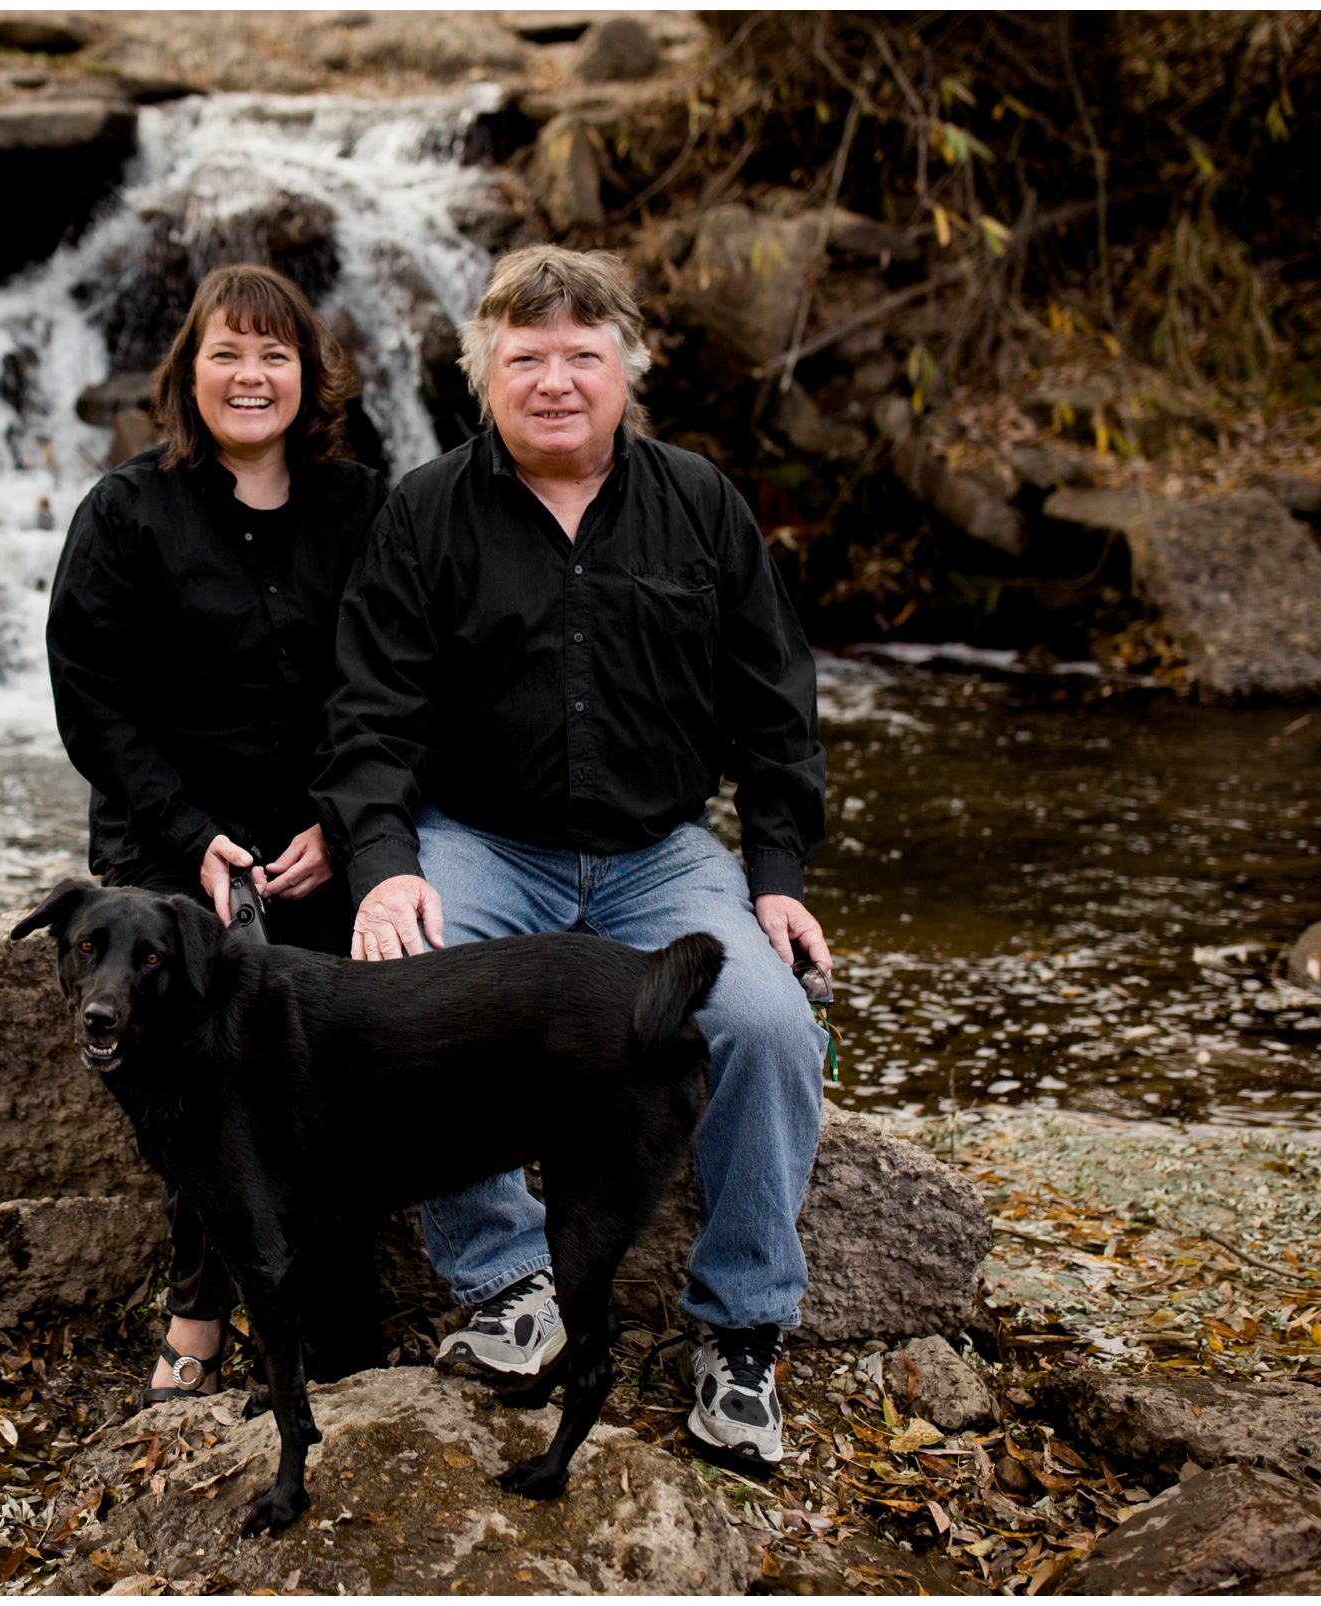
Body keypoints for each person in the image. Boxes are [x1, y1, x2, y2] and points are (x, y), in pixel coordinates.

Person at [312, 244, 831, 1463]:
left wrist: (778, 878)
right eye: (526, 357)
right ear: (482, 372)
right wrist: (385, 864)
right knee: (400, 992)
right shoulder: (427, 511)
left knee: (765, 1024)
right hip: (485, 845)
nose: (555, 380)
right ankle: (506, 1284)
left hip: (663, 854)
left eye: (581, 356)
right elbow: (369, 715)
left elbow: (776, 708)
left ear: (626, 370)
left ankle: (740, 1331)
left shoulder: (700, 504)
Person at [46, 263, 387, 1404]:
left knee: (334, 1039)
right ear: (188, 375)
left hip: (316, 836)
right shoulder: (127, 511)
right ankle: (201, 1305)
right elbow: (93, 700)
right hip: (164, 839)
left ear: (309, 376)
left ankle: (335, 1305)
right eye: (227, 354)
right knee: (193, 1035)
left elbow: (388, 688)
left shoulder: (360, 508)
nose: (251, 375)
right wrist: (193, 835)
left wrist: (340, 825)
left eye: (275, 355)